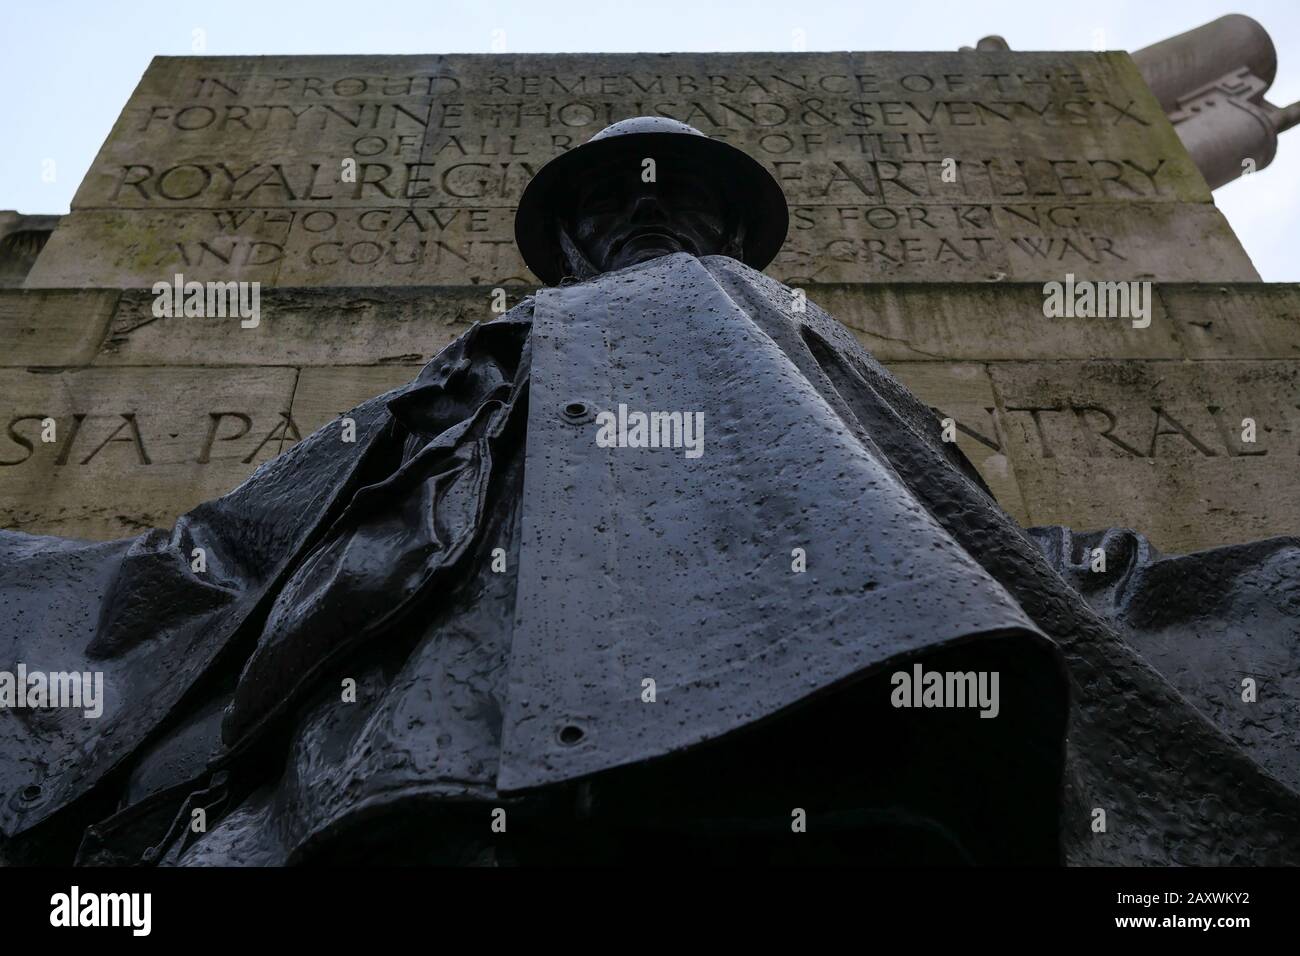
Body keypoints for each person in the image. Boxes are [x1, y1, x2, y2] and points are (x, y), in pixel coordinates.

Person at [1, 118, 1296, 866]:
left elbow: (941, 519)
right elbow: (296, 521)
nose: (639, 226)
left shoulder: (733, 310)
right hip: (453, 668)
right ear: (567, 244)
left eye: (666, 206)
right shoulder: (506, 353)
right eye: (610, 213)